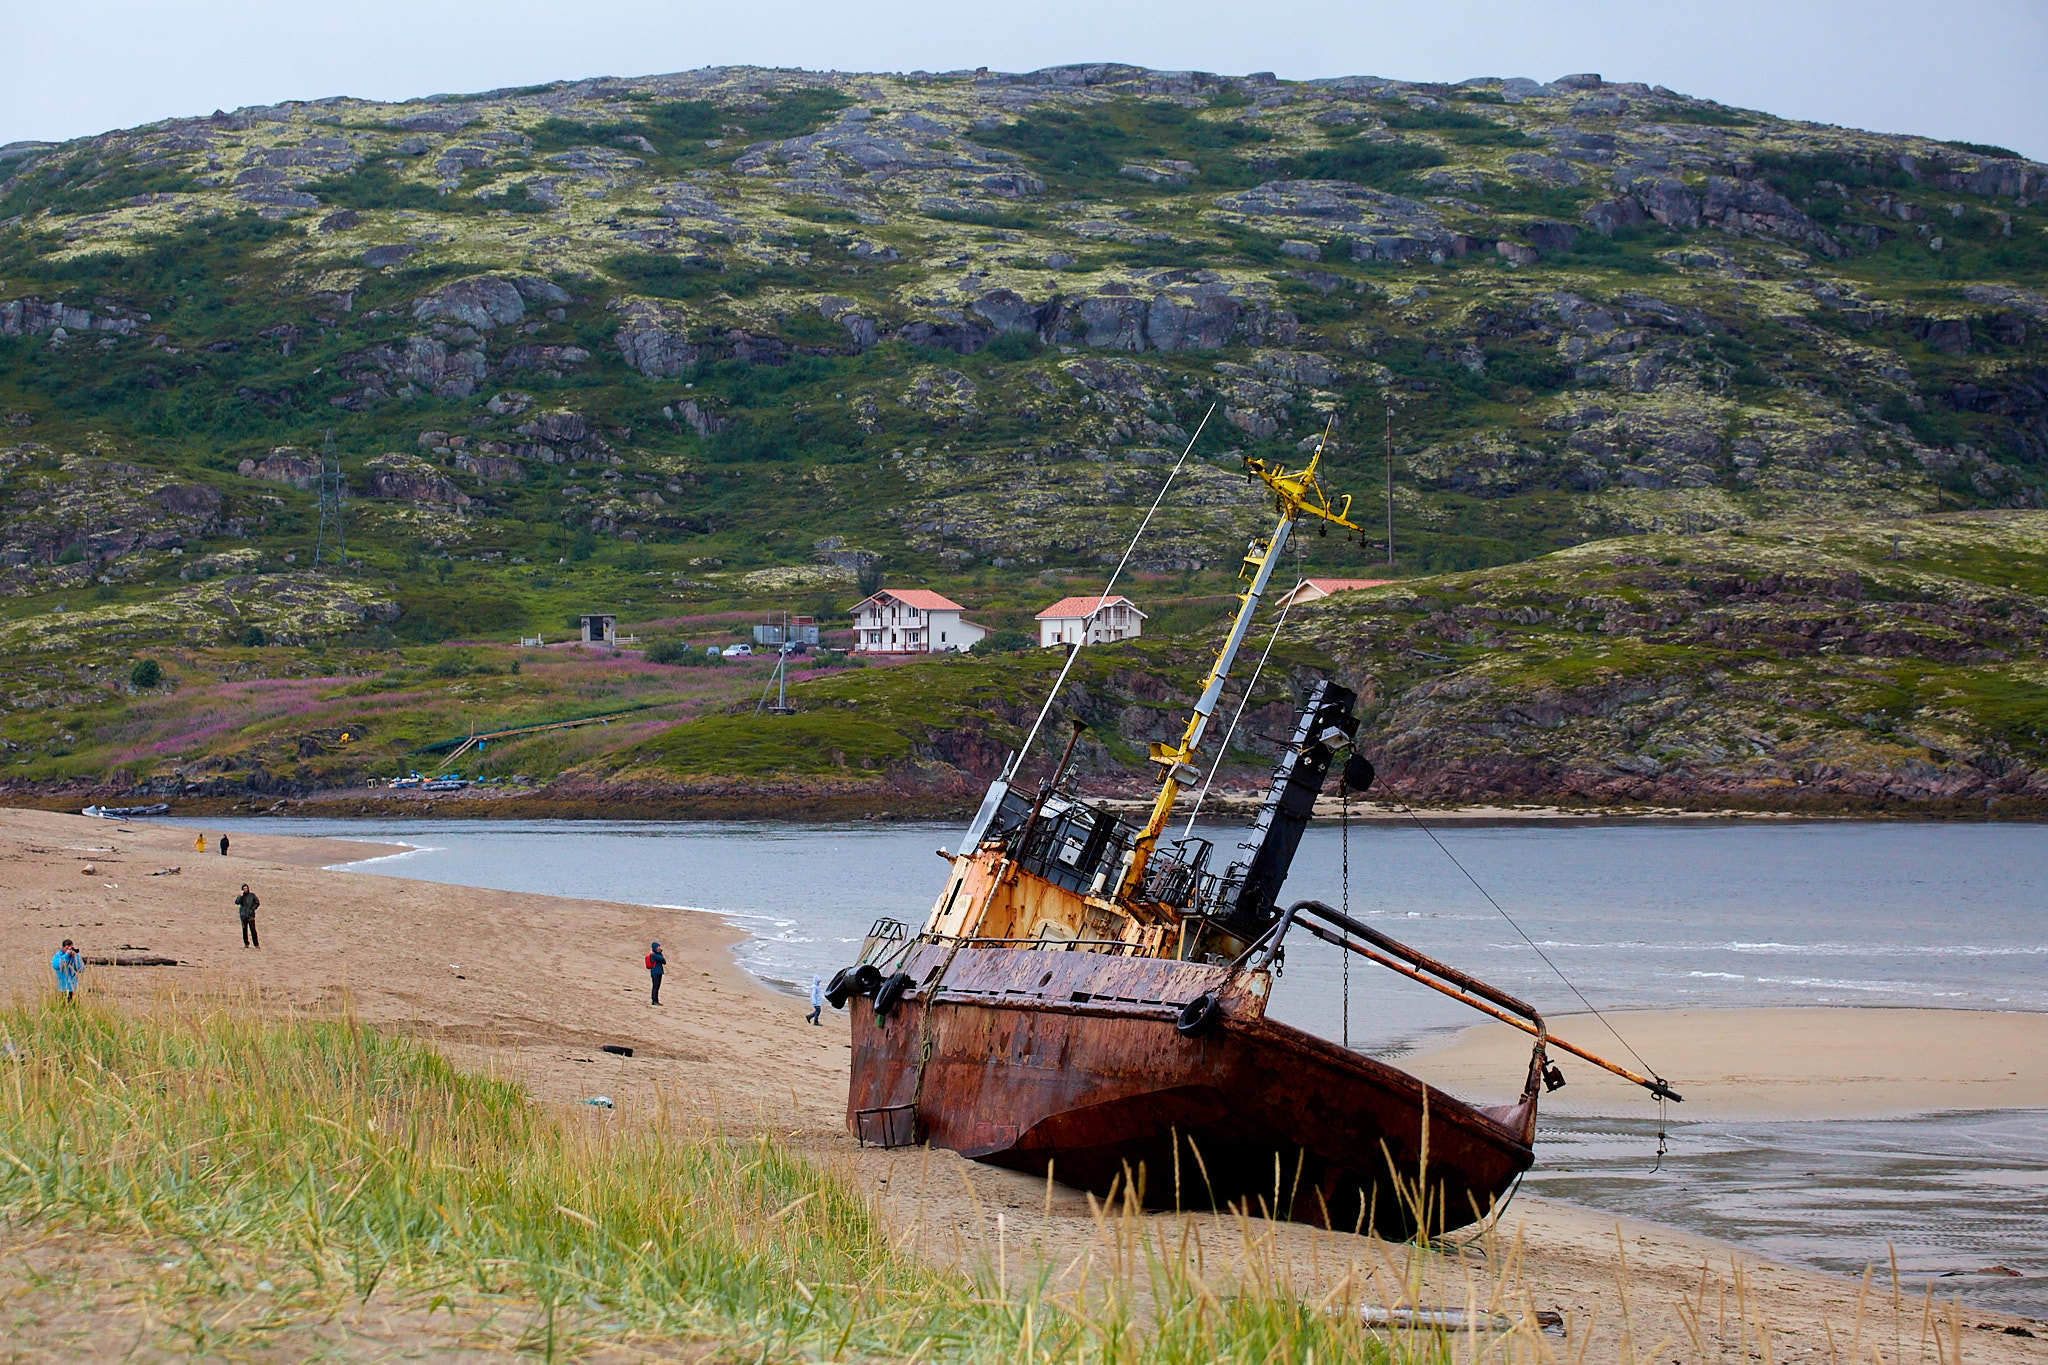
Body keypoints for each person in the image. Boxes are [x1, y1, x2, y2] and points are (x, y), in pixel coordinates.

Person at [235, 883, 260, 948]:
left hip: (250, 915)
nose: (245, 889)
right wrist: (239, 896)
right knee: (244, 930)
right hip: (243, 915)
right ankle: (246, 944)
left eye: (246, 888)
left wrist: (252, 909)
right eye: (244, 889)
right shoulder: (242, 897)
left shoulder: (252, 895)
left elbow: (257, 903)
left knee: (253, 930)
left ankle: (256, 944)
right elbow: (237, 902)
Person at [646, 941, 665, 1005]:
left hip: (659, 972)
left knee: (657, 987)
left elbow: (664, 961)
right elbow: (660, 959)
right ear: (655, 947)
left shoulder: (658, 954)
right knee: (655, 987)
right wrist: (655, 955)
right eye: (658, 946)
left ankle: (656, 1000)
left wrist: (660, 954)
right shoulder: (653, 955)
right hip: (654, 973)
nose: (659, 947)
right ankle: (654, 1001)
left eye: (659, 946)